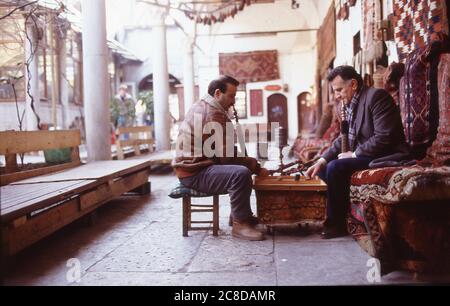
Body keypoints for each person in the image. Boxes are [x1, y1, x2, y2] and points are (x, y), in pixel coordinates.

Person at [305, 66, 410, 239]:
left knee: (335, 168)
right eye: (335, 91)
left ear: (353, 84)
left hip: (386, 155)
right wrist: (321, 160)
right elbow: (342, 138)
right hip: (367, 154)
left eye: (339, 89)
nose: (337, 95)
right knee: (324, 168)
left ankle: (336, 224)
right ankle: (346, 213)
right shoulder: (348, 105)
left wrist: (354, 155)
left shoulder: (376, 97)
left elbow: (384, 137)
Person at [172, 75, 270, 241]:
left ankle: (241, 215)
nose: (233, 101)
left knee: (241, 170)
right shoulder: (213, 113)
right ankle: (240, 224)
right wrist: (256, 167)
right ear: (218, 93)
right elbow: (227, 157)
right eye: (231, 96)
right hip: (194, 173)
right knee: (240, 174)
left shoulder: (204, 106)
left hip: (194, 168)